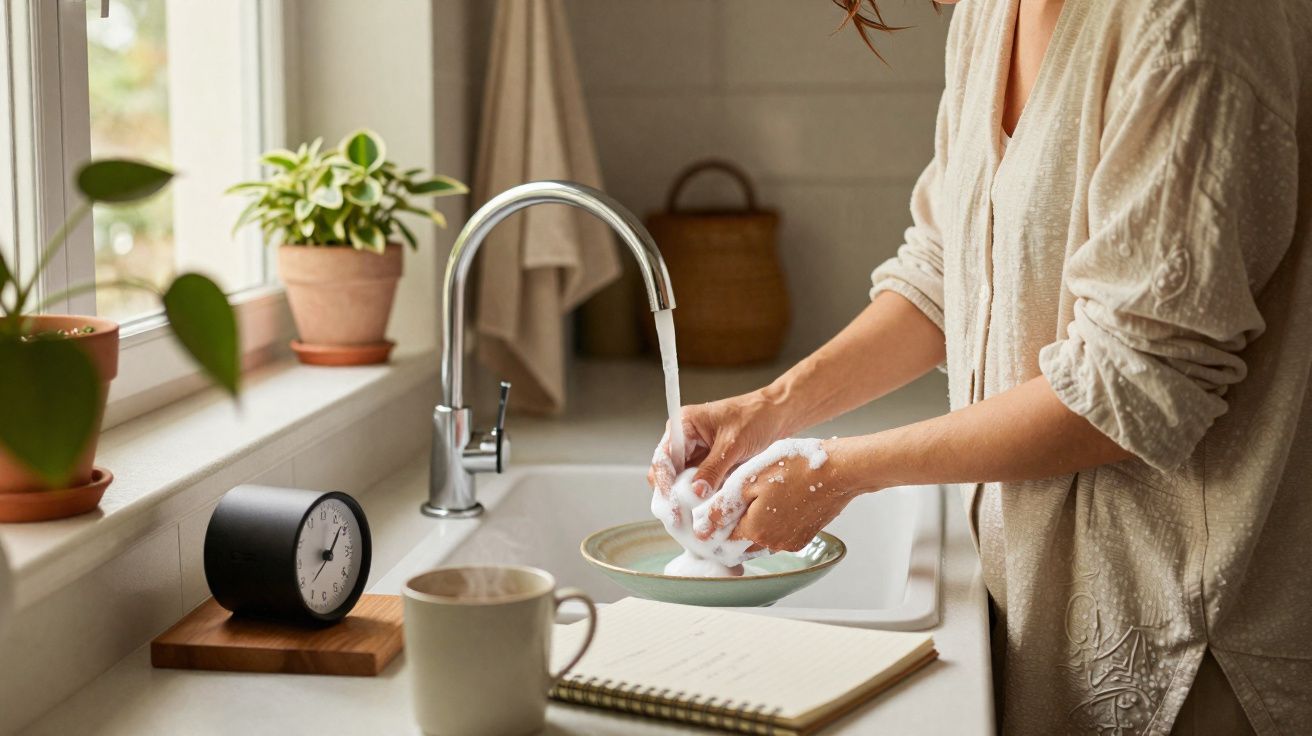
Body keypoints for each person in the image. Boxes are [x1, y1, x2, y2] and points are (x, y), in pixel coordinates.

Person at [647, 0, 1312, 733]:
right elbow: (945, 275)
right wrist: (770, 408)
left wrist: (839, 471)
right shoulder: (993, 11)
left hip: (1192, 647)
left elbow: (1132, 383)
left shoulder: (1195, 22)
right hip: (1043, 606)